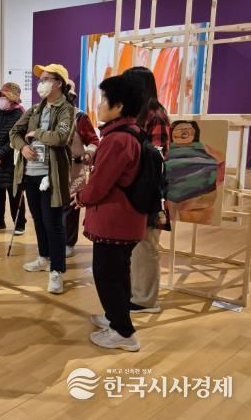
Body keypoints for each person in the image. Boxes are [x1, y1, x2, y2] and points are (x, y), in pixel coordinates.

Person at [72, 73, 146, 352]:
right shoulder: (130, 133)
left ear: (119, 105)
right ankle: (115, 316)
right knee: (118, 273)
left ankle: (123, 333)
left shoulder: (117, 140)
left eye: (104, 99)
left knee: (108, 276)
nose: (100, 104)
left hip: (115, 220)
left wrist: (81, 197)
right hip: (125, 219)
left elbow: (99, 185)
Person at [10, 64, 75, 294]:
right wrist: (23, 147)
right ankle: (43, 257)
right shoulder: (36, 109)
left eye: (46, 79)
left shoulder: (66, 109)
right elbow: (14, 132)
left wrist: (36, 133)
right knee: (38, 219)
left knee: (53, 223)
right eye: (41, 79)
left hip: (51, 176)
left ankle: (57, 270)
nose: (41, 83)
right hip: (30, 174)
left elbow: (60, 137)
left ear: (58, 83)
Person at [123, 66, 171, 314]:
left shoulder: (156, 116)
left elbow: (156, 158)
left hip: (149, 191)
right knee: (135, 245)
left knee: (146, 245)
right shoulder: (138, 114)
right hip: (135, 189)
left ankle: (145, 300)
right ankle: (136, 293)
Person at [0, 82, 27, 233]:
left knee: (14, 194)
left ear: (13, 98)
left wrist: (0, 155)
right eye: (1, 96)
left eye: (4, 96)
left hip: (10, 162)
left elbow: (16, 139)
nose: (1, 99)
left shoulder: (19, 114)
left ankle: (19, 224)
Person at [63, 81, 99, 257]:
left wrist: (88, 154)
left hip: (74, 168)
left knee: (70, 207)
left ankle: (68, 243)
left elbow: (94, 141)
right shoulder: (46, 115)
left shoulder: (79, 117)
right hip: (50, 169)